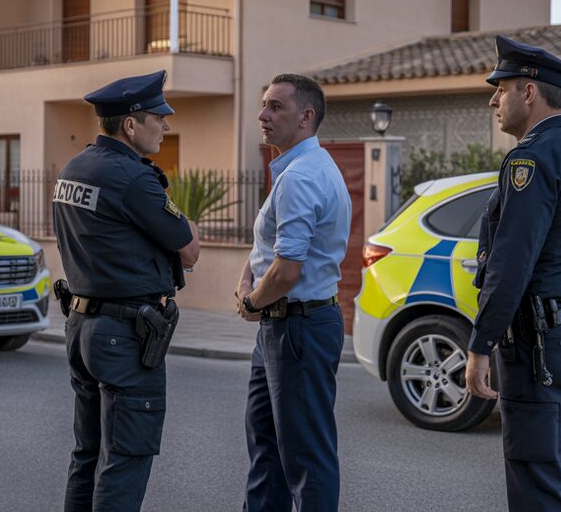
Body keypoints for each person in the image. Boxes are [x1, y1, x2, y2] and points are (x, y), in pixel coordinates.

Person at [464, 36, 561, 512]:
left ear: (528, 93)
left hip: (543, 349)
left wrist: (479, 345)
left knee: (538, 485)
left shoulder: (531, 159)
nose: (494, 99)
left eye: (502, 88)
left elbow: (511, 263)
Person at [52, 69, 200, 512]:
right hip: (123, 335)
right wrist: (184, 230)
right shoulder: (133, 178)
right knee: (127, 457)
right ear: (132, 124)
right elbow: (189, 249)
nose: (166, 125)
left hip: (82, 326)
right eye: (159, 117)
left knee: (87, 454)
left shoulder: (74, 167)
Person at [235, 73, 351, 512]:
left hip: (297, 326)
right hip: (282, 325)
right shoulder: (294, 170)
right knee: (266, 448)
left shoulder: (302, 176)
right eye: (263, 105)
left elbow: (286, 271)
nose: (262, 115)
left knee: (307, 460)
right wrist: (247, 278)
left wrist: (251, 300)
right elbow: (271, 245)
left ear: (306, 117)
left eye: (275, 107)